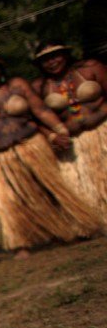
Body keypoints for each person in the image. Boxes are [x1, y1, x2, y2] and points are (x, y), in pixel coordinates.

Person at [0, 55, 101, 257]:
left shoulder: (17, 85)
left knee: (52, 189)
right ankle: (21, 243)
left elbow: (40, 110)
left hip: (32, 145)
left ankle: (69, 230)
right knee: (7, 201)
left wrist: (59, 130)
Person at [32, 41, 107, 215]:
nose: (52, 62)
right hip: (73, 144)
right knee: (83, 188)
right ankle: (95, 219)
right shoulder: (39, 87)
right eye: (45, 60)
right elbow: (36, 118)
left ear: (65, 54)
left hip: (103, 131)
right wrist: (52, 136)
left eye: (55, 56)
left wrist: (101, 113)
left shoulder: (91, 68)